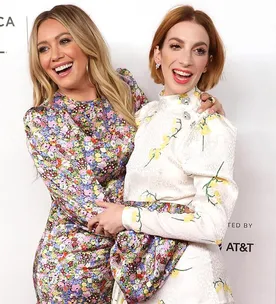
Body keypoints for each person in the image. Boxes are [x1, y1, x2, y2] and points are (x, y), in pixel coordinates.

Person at [24, 4, 225, 303]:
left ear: (85, 40)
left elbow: (159, 142)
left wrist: (203, 110)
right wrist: (183, 219)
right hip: (76, 269)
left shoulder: (124, 87)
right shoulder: (43, 120)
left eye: (65, 40)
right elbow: (93, 211)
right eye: (43, 48)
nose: (55, 55)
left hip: (133, 260)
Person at [88, 5, 238, 304]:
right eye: (175, 46)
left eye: (198, 50)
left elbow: (211, 225)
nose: (185, 60)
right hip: (138, 274)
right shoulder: (145, 114)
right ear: (158, 55)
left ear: (208, 62)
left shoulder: (210, 123)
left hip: (186, 284)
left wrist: (127, 217)